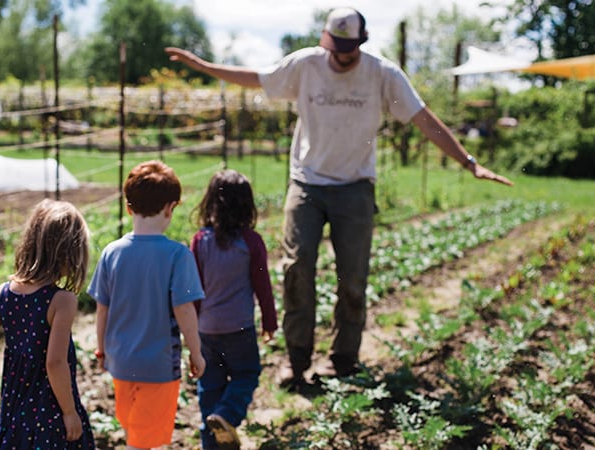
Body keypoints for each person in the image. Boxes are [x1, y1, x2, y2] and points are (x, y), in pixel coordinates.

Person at [165, 7, 513, 390]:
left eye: (349, 48)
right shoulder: (306, 64)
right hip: (307, 183)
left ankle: (343, 359)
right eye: (337, 47)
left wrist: (469, 162)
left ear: (361, 43)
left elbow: (423, 118)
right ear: (326, 41)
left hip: (355, 186)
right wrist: (202, 65)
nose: (342, 55)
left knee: (353, 277)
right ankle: (296, 360)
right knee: (297, 268)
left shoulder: (382, 74)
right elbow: (256, 79)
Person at [87, 160, 206, 450]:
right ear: (170, 207)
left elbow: (102, 308)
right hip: (158, 366)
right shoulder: (178, 255)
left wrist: (101, 349)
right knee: (143, 442)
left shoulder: (111, 253)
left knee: (133, 431)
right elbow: (184, 309)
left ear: (129, 208)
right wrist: (196, 352)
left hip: (121, 362)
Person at [0, 199, 95, 448]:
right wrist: (69, 412)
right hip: (52, 416)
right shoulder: (62, 300)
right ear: (69, 254)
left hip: (14, 416)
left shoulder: (2, 293)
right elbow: (55, 362)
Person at [190, 170, 278, 450]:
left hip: (206, 329)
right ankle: (226, 415)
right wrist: (270, 321)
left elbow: (194, 288)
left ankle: (211, 442)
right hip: (239, 327)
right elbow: (262, 285)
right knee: (246, 374)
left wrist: (190, 329)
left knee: (209, 388)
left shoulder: (199, 241)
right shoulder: (251, 242)